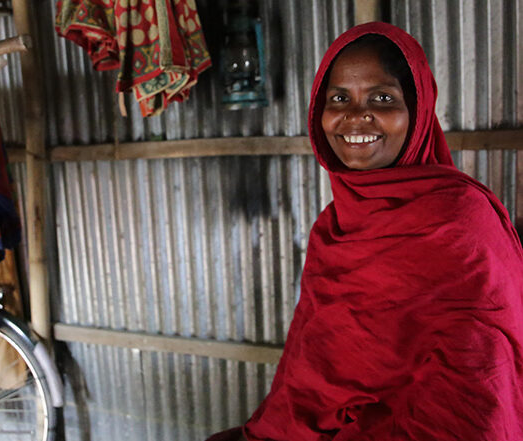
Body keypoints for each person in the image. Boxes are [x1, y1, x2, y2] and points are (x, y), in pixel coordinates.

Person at [207, 21, 523, 441]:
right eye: (339, 97)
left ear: (418, 110)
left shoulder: (460, 222)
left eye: (382, 98)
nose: (356, 116)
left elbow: (475, 392)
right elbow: (310, 372)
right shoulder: (334, 225)